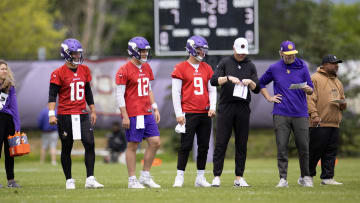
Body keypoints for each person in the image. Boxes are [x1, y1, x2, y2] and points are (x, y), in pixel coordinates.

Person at [48, 38, 103, 189]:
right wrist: (51, 114)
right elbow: (52, 95)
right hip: (65, 114)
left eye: (78, 53)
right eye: (74, 53)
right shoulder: (57, 73)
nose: (77, 56)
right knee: (67, 146)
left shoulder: (84, 70)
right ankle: (69, 180)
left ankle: (90, 178)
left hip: (82, 113)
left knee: (90, 143)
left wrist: (93, 109)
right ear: (66, 54)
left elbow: (88, 91)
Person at [259, 40, 314, 187]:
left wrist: (308, 89)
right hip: (281, 113)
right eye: (287, 54)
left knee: (304, 146)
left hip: (300, 113)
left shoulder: (302, 66)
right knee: (282, 146)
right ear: (281, 53)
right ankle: (283, 179)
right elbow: (261, 83)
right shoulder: (275, 67)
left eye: (292, 54)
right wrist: (269, 97)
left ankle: (305, 177)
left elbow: (311, 87)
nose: (290, 57)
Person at [210, 37, 260, 187]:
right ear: (234, 48)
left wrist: (250, 82)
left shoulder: (250, 65)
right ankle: (216, 176)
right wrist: (227, 78)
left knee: (241, 143)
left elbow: (257, 88)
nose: (241, 55)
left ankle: (239, 177)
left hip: (243, 108)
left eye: (243, 53)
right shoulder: (225, 62)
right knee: (221, 142)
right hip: (226, 107)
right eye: (239, 52)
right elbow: (213, 80)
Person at [115, 36, 161, 189]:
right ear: (133, 51)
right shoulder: (124, 69)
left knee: (155, 142)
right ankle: (132, 179)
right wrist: (125, 115)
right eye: (141, 51)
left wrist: (154, 106)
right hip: (134, 113)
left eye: (145, 51)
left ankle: (145, 176)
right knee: (133, 145)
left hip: (147, 111)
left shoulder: (146, 67)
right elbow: (119, 94)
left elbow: (148, 89)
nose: (144, 54)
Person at [171, 36, 217, 188]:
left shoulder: (207, 68)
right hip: (188, 113)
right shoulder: (180, 68)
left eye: (203, 49)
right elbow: (176, 92)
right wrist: (179, 113)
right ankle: (179, 176)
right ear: (191, 49)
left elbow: (212, 89)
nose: (202, 52)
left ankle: (200, 177)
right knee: (185, 146)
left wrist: (213, 107)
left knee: (204, 146)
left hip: (205, 113)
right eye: (199, 49)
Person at [307, 55, 346, 185]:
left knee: (330, 152)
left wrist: (343, 104)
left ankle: (327, 178)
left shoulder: (338, 81)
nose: (336, 66)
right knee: (315, 151)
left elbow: (342, 99)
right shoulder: (314, 78)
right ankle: (307, 177)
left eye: (337, 63)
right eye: (333, 63)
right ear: (324, 65)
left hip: (334, 122)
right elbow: (310, 99)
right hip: (319, 122)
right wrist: (314, 115)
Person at [0, 60, 21, 188]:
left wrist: (17, 127)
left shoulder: (10, 86)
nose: (5, 71)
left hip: (8, 121)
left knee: (10, 152)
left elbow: (14, 108)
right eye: (2, 69)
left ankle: (11, 180)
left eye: (5, 69)